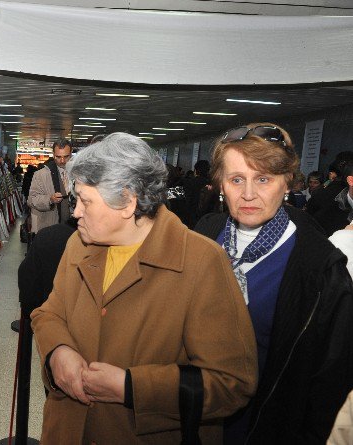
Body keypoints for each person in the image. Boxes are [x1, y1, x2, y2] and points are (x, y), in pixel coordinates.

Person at [31, 132, 258, 444]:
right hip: (69, 430)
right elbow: (50, 313)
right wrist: (58, 352)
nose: (75, 213)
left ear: (127, 201)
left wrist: (131, 387)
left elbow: (231, 383)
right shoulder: (79, 243)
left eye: (85, 201)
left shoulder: (202, 262)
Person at [194, 123, 353, 443]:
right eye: (236, 179)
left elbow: (329, 386)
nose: (249, 194)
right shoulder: (204, 236)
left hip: (268, 429)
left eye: (263, 178)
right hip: (198, 423)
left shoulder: (320, 269)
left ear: (286, 184)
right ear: (220, 186)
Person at [27, 139, 73, 235]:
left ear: (71, 153)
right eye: (58, 157)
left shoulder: (77, 173)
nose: (62, 160)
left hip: (72, 228)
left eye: (66, 156)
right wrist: (49, 200)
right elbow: (32, 200)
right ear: (53, 154)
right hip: (48, 226)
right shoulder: (41, 175)